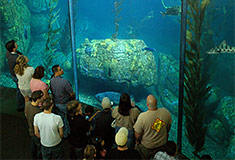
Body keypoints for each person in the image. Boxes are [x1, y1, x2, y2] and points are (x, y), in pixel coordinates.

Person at [133, 94, 172, 159]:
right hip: (161, 145)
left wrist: (137, 142)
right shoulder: (166, 112)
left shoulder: (142, 117)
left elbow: (137, 135)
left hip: (147, 147)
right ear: (157, 102)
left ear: (147, 105)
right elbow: (168, 128)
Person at [50, 65, 75, 138]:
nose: (62, 70)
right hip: (64, 103)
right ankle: (66, 134)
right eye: (60, 69)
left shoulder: (51, 80)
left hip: (57, 103)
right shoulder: (64, 82)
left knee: (61, 118)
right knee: (66, 119)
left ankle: (61, 131)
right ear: (57, 71)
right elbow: (72, 94)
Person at [5, 40, 24, 111]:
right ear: (13, 49)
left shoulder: (8, 52)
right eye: (15, 44)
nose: (16, 44)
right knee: (19, 90)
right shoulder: (15, 58)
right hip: (17, 76)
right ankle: (20, 106)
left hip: (13, 73)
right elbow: (24, 61)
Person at [24, 90, 44, 159]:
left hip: (31, 130)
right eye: (41, 98)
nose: (42, 99)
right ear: (38, 99)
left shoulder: (27, 104)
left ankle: (33, 157)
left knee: (33, 145)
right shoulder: (38, 112)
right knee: (39, 147)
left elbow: (26, 114)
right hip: (37, 132)